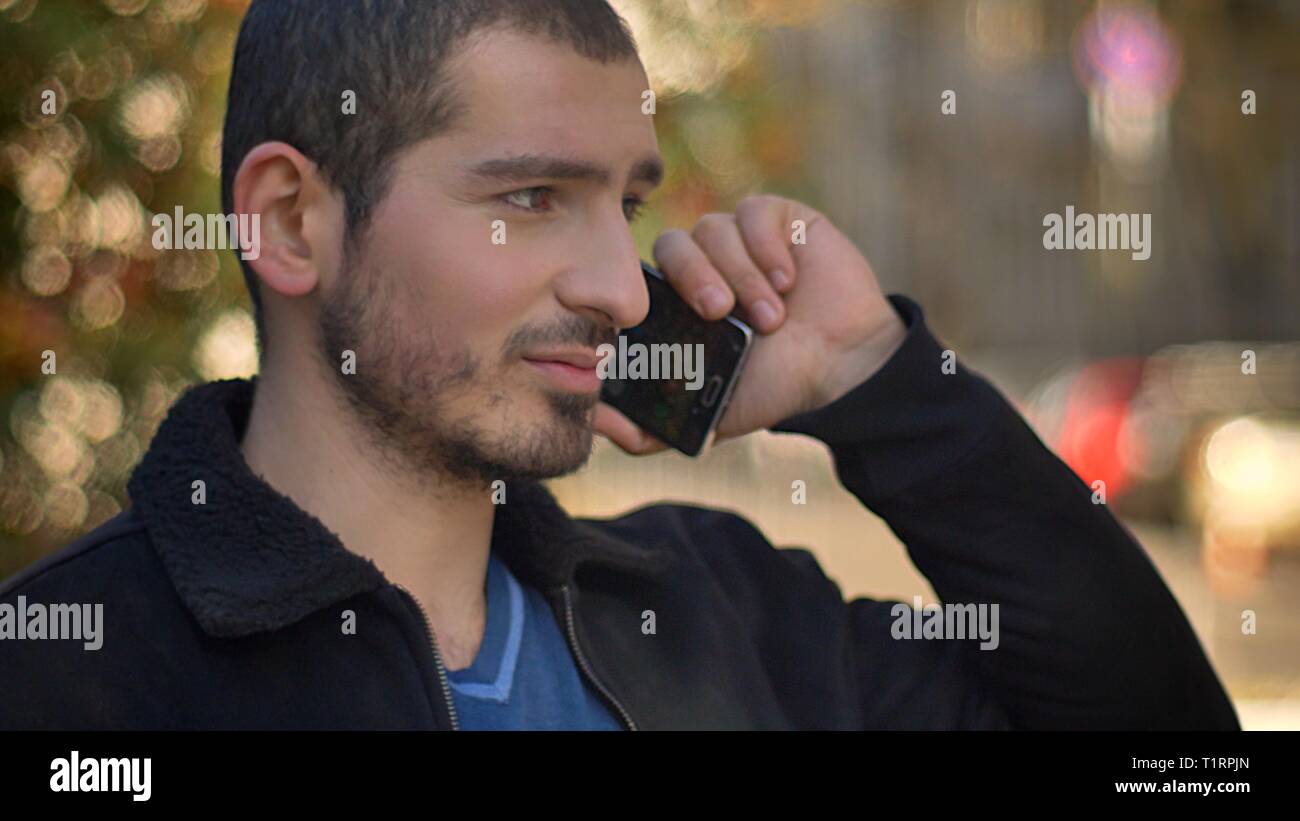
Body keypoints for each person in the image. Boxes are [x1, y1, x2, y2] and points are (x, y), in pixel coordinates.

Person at [0, 0, 1238, 730]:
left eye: (627, 203)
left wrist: (883, 385)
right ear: (285, 220)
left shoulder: (730, 617)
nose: (613, 281)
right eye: (533, 196)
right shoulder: (71, 677)